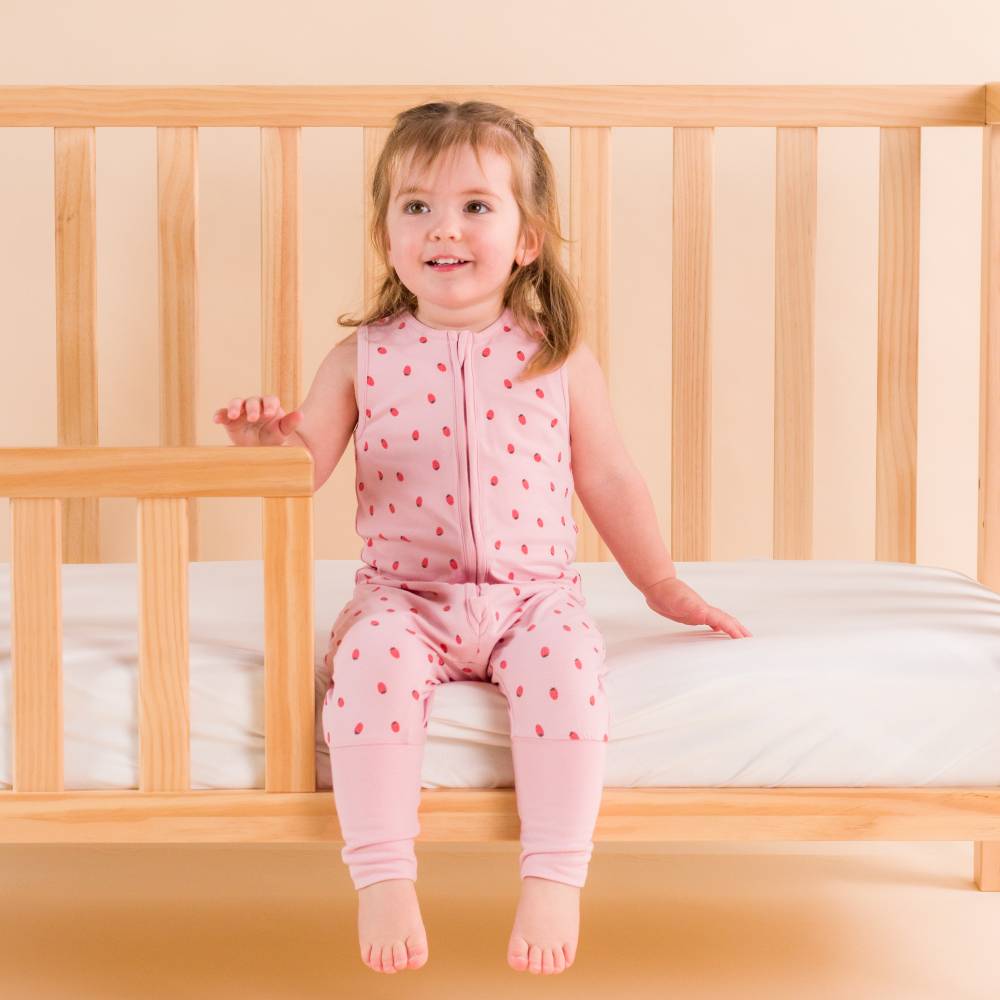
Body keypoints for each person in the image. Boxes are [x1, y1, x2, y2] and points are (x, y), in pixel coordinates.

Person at [214, 100, 752, 977]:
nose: (444, 228)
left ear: (526, 238)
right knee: (367, 671)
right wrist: (267, 450)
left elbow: (610, 478)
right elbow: (303, 468)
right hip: (404, 595)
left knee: (572, 679)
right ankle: (382, 871)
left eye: (475, 205)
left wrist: (662, 587)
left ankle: (554, 874)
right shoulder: (363, 357)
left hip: (534, 598)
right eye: (416, 206)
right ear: (388, 236)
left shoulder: (556, 356)